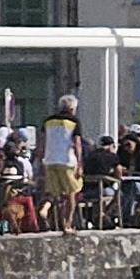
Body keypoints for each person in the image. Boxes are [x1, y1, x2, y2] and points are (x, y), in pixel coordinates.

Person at [38, 95, 82, 232]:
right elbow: (78, 144)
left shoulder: (48, 121)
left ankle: (45, 209)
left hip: (50, 160)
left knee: (52, 192)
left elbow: (42, 142)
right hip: (66, 161)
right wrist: (80, 164)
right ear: (71, 108)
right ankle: (67, 225)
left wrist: (41, 160)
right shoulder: (74, 121)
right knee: (71, 193)